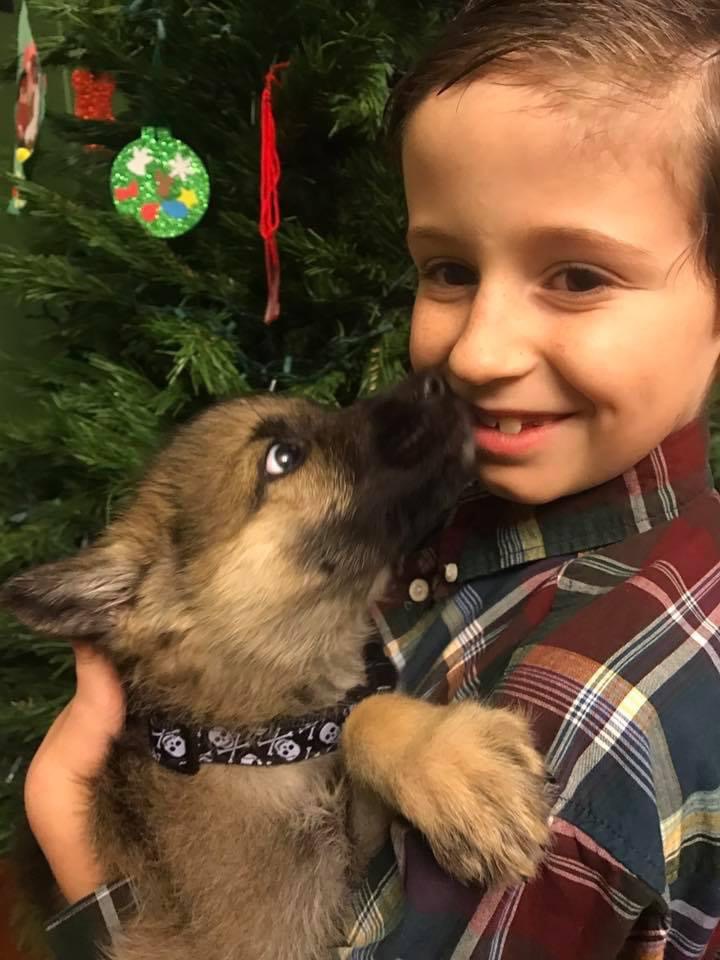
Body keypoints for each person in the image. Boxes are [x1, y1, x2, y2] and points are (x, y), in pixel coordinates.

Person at [24, 0, 720, 956]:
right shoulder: (474, 528)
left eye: (578, 277)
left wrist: (83, 877)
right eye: (448, 270)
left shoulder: (589, 710)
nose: (476, 354)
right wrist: (382, 735)